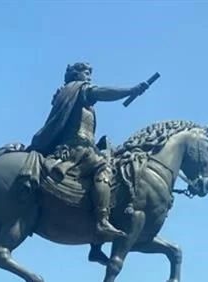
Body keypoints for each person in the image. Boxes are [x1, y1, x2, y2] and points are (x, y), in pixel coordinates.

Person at [27, 62, 149, 240]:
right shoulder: (79, 90)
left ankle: (96, 245)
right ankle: (102, 220)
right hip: (77, 149)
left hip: (82, 146)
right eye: (85, 72)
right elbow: (102, 92)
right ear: (76, 75)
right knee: (105, 168)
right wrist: (131, 90)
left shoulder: (70, 95)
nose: (89, 77)